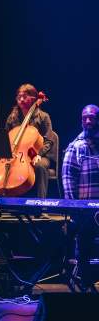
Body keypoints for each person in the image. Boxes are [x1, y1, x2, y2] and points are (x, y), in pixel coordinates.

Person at [62, 104, 99, 290]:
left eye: (92, 117)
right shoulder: (76, 147)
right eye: (85, 118)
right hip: (85, 211)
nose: (88, 121)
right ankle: (85, 286)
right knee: (83, 249)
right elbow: (68, 180)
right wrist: (74, 208)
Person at [3, 83, 55, 199]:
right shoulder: (12, 118)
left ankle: (41, 205)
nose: (21, 99)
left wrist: (39, 154)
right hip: (15, 155)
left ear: (33, 99)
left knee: (40, 166)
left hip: (40, 155)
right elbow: (5, 138)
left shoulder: (43, 116)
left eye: (24, 96)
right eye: (19, 97)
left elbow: (49, 140)